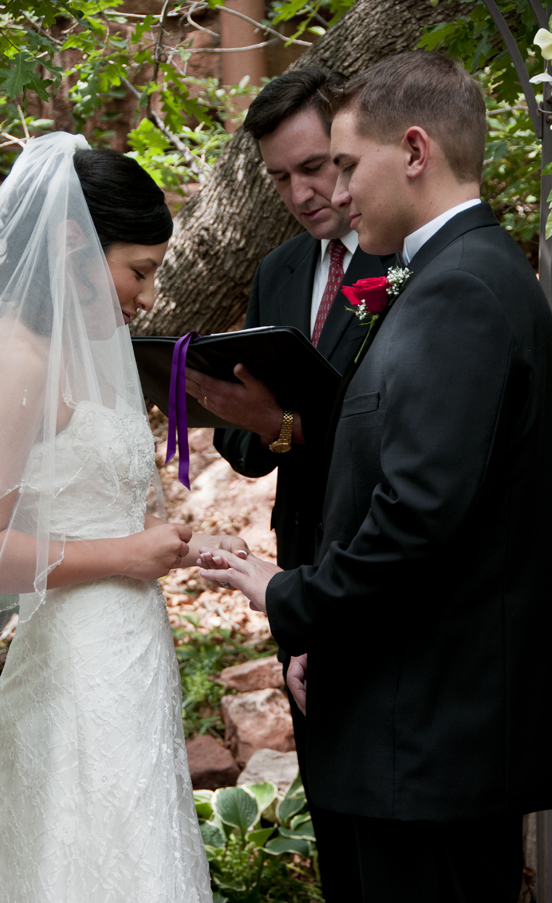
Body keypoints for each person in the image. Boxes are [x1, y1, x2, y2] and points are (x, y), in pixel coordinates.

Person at [199, 52, 552, 902]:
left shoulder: (459, 289)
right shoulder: (452, 275)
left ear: (417, 151)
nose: (341, 194)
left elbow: (416, 516)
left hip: (430, 735)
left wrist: (290, 596)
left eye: (348, 165)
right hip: (405, 711)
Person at [0, 131, 246, 903]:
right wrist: (124, 554)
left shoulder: (88, 348)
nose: (146, 296)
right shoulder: (13, 357)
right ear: (74, 247)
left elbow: (101, 503)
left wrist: (170, 544)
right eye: (137, 270)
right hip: (74, 672)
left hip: (132, 659)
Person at [189, 67, 394, 571]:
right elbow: (241, 447)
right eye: (281, 178)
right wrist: (256, 420)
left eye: (313, 167)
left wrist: (278, 421)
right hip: (299, 556)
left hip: (383, 549)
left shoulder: (405, 257)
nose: (299, 195)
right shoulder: (276, 270)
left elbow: (402, 428)